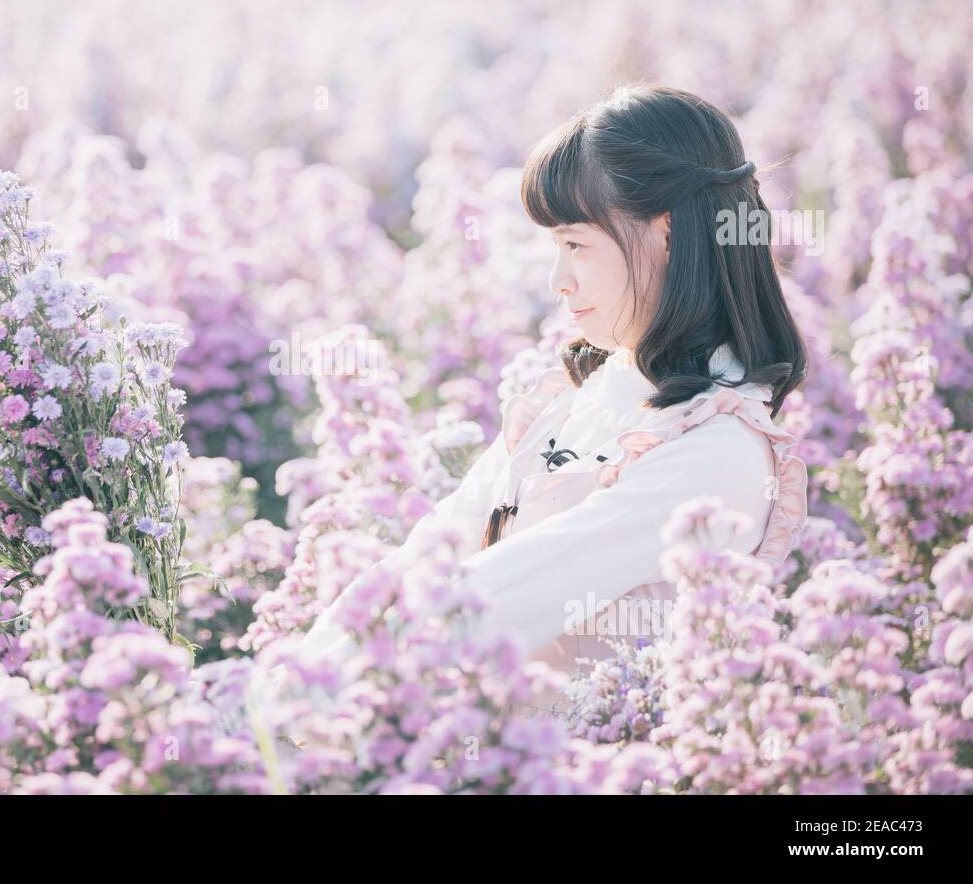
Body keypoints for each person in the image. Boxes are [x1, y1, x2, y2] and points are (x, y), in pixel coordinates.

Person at [276, 84, 811, 714]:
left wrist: (299, 712)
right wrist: (283, 693)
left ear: (666, 234)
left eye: (576, 244)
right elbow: (431, 550)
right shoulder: (589, 394)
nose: (558, 281)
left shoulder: (716, 452)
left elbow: (496, 596)